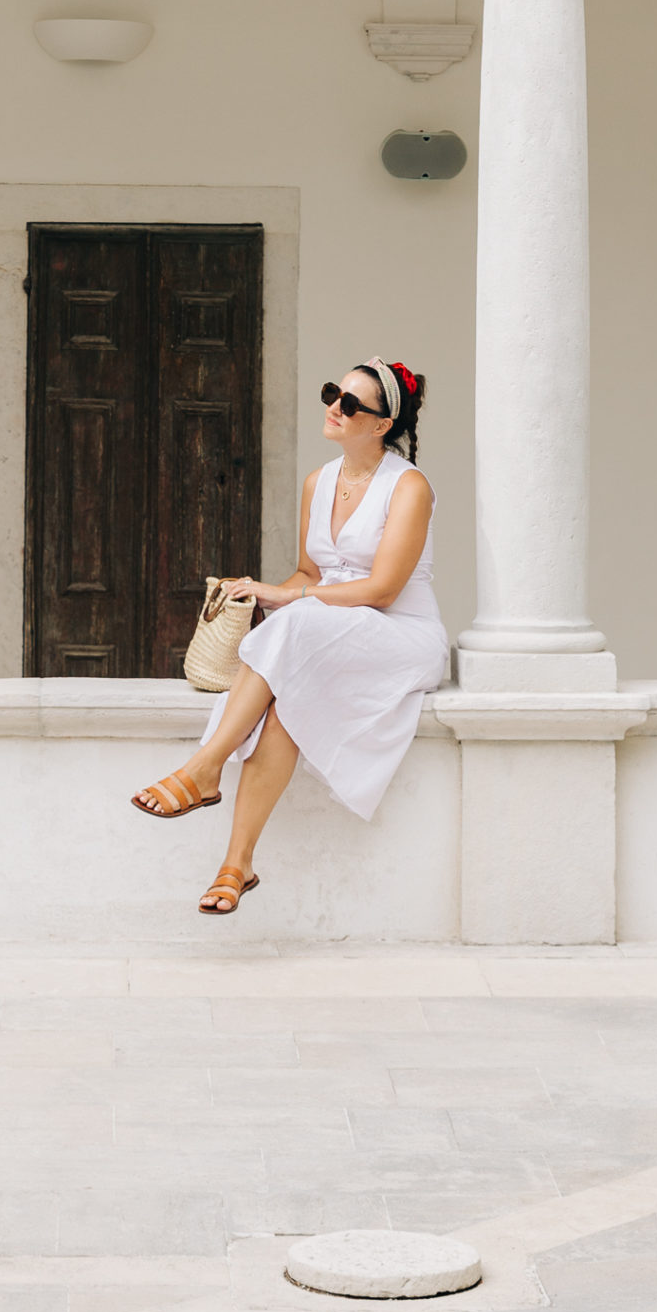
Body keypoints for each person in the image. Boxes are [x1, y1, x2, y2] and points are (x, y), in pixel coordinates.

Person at [130, 359, 449, 913]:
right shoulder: (317, 482)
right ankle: (237, 864)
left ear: (380, 424)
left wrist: (289, 601)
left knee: (292, 620)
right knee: (286, 707)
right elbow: (309, 574)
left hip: (400, 635)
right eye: (333, 393)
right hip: (333, 625)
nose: (333, 407)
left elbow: (382, 590)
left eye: (350, 403)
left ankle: (204, 769)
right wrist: (260, 590)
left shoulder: (410, 486)